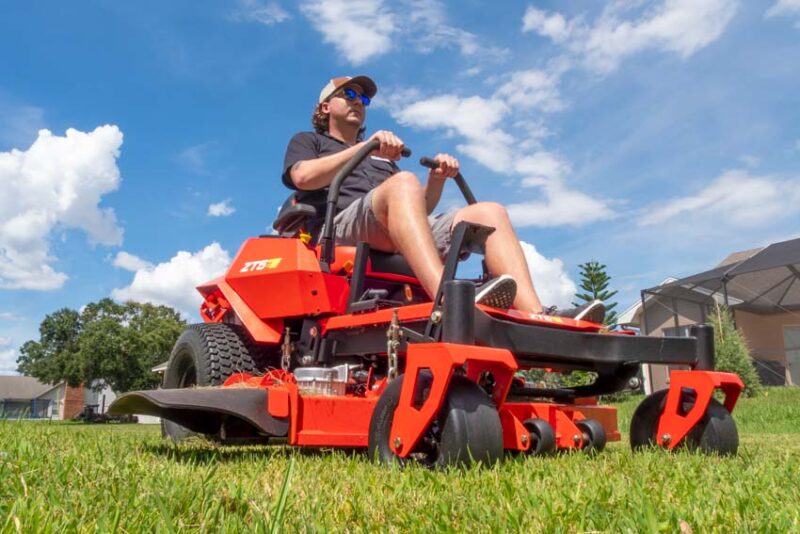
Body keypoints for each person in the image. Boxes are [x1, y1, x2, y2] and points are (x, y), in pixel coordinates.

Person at [282, 75, 604, 321]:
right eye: (349, 94)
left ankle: (537, 316)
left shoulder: (382, 160)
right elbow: (302, 177)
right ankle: (447, 301)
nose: (358, 101)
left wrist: (435, 181)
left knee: (488, 211)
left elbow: (417, 212)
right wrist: (365, 148)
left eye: (363, 99)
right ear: (325, 107)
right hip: (339, 228)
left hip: (390, 228)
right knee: (403, 181)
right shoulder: (309, 141)